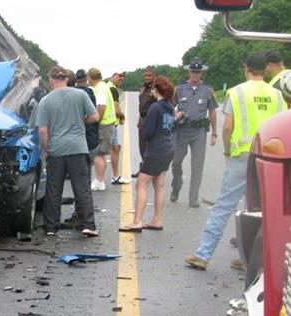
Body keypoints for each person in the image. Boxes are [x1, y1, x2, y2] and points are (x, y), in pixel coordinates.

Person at [185, 52, 287, 270]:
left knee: (224, 206)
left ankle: (203, 254)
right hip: (269, 157)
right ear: (265, 69)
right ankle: (250, 258)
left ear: (246, 68)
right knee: (258, 209)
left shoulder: (237, 92)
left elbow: (228, 126)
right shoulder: (277, 95)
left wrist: (227, 149)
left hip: (242, 155)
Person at [36, 65, 100, 237]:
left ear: (51, 80)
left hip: (56, 150)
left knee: (54, 189)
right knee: (81, 188)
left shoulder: (45, 101)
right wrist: (81, 120)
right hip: (78, 147)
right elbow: (95, 117)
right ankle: (88, 225)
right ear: (66, 79)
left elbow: (42, 130)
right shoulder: (80, 95)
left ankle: (51, 227)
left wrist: (47, 148)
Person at [119, 76, 176, 232]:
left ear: (156, 91)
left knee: (141, 184)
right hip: (168, 148)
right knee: (159, 185)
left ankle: (137, 221)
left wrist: (144, 131)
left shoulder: (155, 108)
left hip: (156, 150)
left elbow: (148, 131)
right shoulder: (170, 107)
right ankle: (158, 219)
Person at [170, 58, 218, 208]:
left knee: (198, 166)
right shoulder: (180, 89)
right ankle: (176, 186)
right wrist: (174, 114)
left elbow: (212, 112)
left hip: (199, 132)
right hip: (182, 130)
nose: (195, 75)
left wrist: (214, 133)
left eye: (198, 72)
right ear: (189, 72)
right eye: (193, 72)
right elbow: (169, 106)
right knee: (176, 162)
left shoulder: (208, 91)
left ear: (201, 73)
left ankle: (193, 198)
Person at [87, 68, 118, 191]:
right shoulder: (104, 86)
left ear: (90, 77)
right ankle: (100, 180)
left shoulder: (100, 89)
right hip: (108, 123)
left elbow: (101, 107)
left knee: (98, 154)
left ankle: (99, 181)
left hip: (103, 125)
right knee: (101, 154)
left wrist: (96, 119)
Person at [107, 72, 130, 185]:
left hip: (111, 124)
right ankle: (107, 178)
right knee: (101, 153)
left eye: (123, 76)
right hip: (109, 123)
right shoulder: (112, 89)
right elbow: (116, 110)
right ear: (112, 75)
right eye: (119, 75)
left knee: (116, 148)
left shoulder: (111, 87)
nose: (121, 78)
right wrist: (122, 116)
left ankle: (116, 176)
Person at [135, 67, 157, 177]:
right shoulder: (143, 88)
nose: (147, 77)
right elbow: (142, 106)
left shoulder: (157, 88)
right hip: (143, 119)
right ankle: (144, 169)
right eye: (146, 75)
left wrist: (156, 96)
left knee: (151, 146)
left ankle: (152, 170)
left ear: (154, 76)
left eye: (149, 75)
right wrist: (139, 120)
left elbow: (164, 102)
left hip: (152, 120)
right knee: (142, 146)